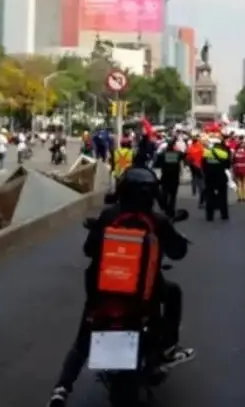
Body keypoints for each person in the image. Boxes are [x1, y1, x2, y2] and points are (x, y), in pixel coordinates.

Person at [46, 167, 194, 407]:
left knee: (84, 338)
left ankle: (61, 390)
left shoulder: (109, 215)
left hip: (102, 291)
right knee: (174, 292)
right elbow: (178, 252)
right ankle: (168, 346)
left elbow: (88, 250)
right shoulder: (156, 220)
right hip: (146, 294)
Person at [201, 139, 232, 221]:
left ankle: (209, 216)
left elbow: (203, 166)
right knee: (223, 197)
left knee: (209, 197)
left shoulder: (206, 153)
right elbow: (228, 166)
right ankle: (224, 215)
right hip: (221, 177)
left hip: (209, 178)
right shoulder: (224, 154)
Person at [155, 138, 185, 217]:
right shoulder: (178, 154)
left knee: (164, 192)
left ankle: (164, 207)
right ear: (174, 146)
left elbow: (157, 162)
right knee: (173, 195)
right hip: (174, 177)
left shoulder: (163, 154)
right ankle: (171, 210)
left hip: (165, 176)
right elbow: (184, 155)